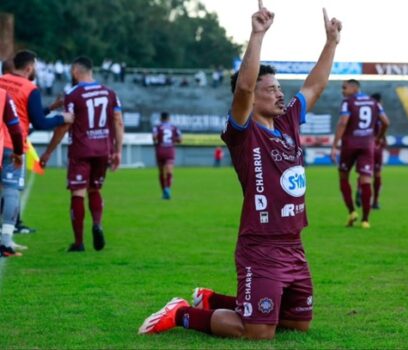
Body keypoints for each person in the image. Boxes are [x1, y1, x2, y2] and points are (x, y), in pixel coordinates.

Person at [138, 0, 342, 340]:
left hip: (293, 243)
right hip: (260, 247)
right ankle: (183, 314)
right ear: (253, 97)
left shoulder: (288, 120)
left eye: (279, 88)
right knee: (258, 332)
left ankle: (211, 299)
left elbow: (315, 86)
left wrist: (331, 43)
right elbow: (244, 87)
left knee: (297, 324)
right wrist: (257, 35)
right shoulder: (243, 131)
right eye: (271, 89)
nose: (280, 94)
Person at [40, 56, 124, 252]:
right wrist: (118, 150)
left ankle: (79, 243)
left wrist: (48, 152)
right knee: (94, 190)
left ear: (75, 72)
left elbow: (64, 125)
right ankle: (97, 223)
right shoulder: (110, 92)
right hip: (103, 149)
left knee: (78, 192)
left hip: (81, 150)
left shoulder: (72, 93)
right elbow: (118, 121)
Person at [0, 50, 73, 255]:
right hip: (12, 146)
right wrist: (62, 118)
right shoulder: (30, 88)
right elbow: (38, 122)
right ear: (29, 67)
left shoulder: (1, 81)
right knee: (11, 189)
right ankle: (6, 240)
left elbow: (26, 113)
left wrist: (50, 108)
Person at [331, 80, 389, 228]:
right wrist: (378, 138)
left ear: (354, 87)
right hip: (367, 145)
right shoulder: (373, 102)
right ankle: (365, 220)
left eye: (344, 87)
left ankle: (351, 212)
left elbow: (343, 122)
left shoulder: (347, 102)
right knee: (366, 180)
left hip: (349, 144)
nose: (342, 91)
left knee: (343, 176)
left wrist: (335, 145)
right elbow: (386, 122)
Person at [0, 87, 25, 257]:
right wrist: (18, 151)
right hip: (6, 151)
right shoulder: (3, 95)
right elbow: (16, 129)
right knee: (10, 191)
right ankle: (5, 241)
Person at [355, 92, 389, 210]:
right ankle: (375, 201)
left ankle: (359, 189)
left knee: (364, 172)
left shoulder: (365, 110)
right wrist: (382, 139)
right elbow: (384, 125)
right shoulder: (378, 111)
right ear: (380, 101)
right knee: (377, 173)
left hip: (366, 144)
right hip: (377, 146)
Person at [152, 112, 182, 199]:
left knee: (161, 172)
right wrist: (173, 140)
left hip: (160, 150)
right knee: (169, 171)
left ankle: (163, 191)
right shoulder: (174, 127)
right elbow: (180, 139)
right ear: (169, 118)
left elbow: (154, 137)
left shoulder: (157, 127)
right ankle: (167, 189)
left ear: (161, 118)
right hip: (170, 150)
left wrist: (158, 141)